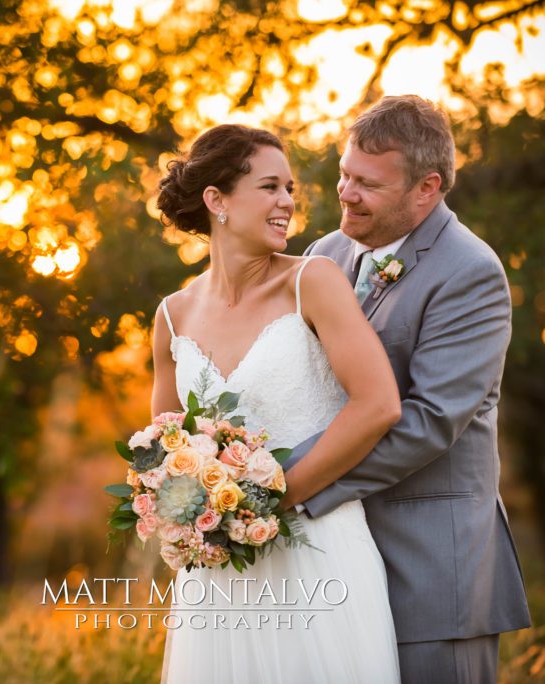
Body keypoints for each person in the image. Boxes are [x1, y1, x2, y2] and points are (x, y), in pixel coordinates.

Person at [284, 95, 531, 683]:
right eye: (344, 174)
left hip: (430, 569)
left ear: (426, 188)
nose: (344, 193)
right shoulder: (326, 254)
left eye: (367, 184)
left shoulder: (470, 271)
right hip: (330, 560)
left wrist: (289, 483)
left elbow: (429, 421)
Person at [151, 124, 401, 682]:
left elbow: (378, 404)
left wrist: (271, 503)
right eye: (269, 187)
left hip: (318, 549)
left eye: (289, 188)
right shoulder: (172, 315)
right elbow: (166, 454)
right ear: (217, 200)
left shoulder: (313, 281)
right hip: (219, 571)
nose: (287, 202)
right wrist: (194, 512)